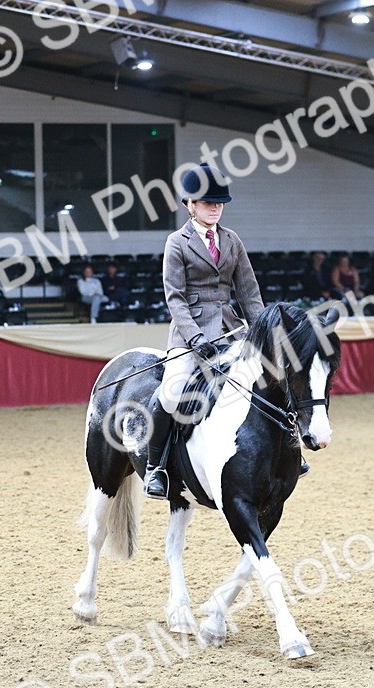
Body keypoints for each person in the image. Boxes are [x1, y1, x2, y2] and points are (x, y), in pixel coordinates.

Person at [144, 164, 265, 499]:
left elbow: (249, 294)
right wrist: (195, 337)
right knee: (170, 393)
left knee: (268, 379)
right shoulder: (176, 243)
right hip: (189, 335)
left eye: (220, 202)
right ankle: (156, 468)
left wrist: (262, 333)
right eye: (208, 202)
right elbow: (175, 297)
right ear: (190, 204)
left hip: (230, 331)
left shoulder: (232, 240)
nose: (215, 207)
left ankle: (284, 451)